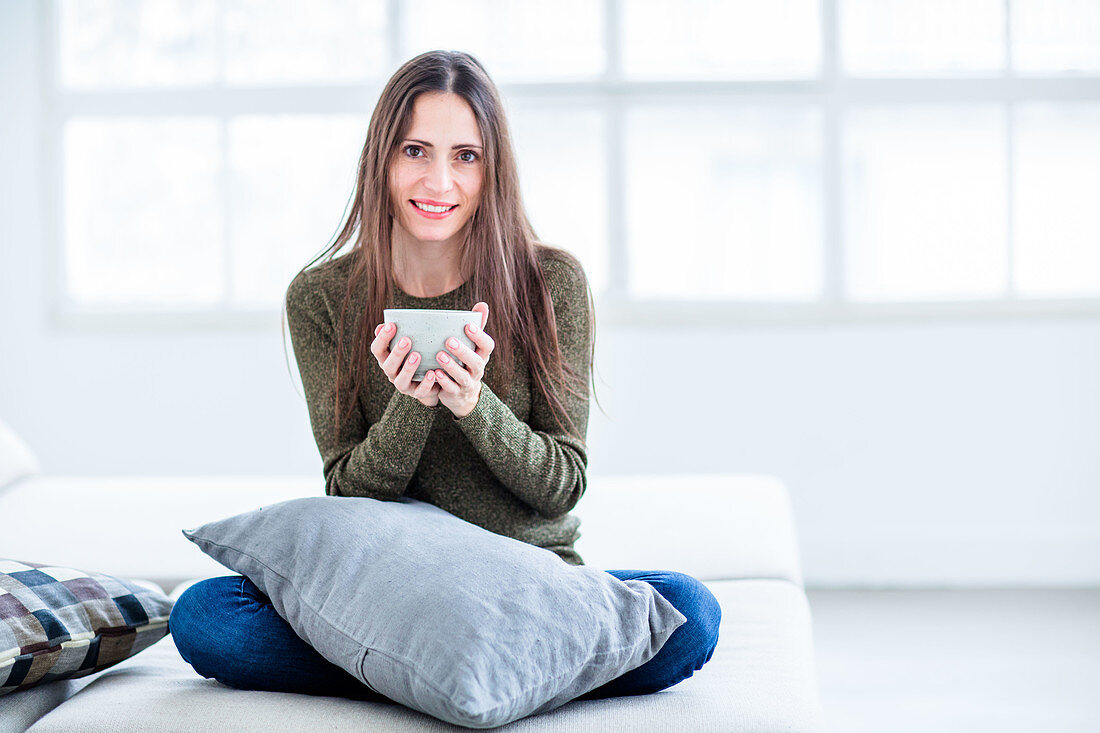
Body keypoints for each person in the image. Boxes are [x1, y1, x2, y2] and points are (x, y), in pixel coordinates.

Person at [169, 49, 720, 703]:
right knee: (204, 614)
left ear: (493, 169)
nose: (438, 182)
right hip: (391, 590)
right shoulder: (321, 296)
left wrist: (472, 403)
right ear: (382, 158)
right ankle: (477, 671)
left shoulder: (553, 283)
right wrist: (409, 404)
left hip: (527, 580)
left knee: (690, 610)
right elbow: (345, 491)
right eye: (414, 151)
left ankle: (417, 672)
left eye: (465, 156)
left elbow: (563, 485)